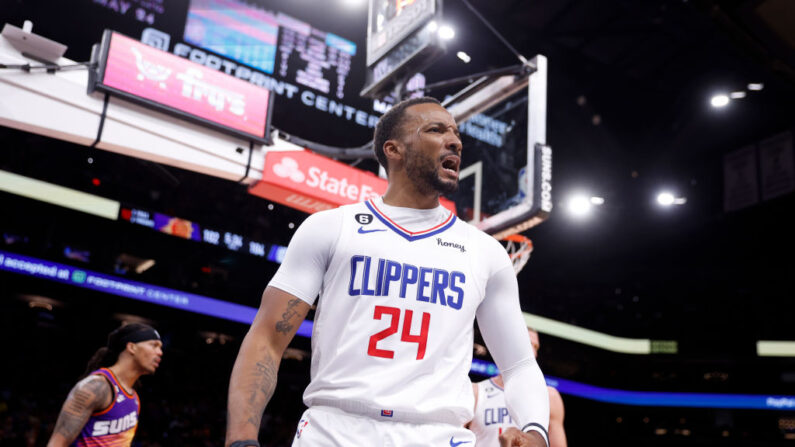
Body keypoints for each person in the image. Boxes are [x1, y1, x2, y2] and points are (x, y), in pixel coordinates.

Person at [226, 97, 550, 447]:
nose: (455, 140)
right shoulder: (331, 227)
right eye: (436, 130)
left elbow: (518, 364)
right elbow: (267, 339)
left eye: (455, 132)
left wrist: (536, 431)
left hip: (438, 436)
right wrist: (241, 438)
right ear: (393, 149)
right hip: (334, 430)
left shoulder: (486, 252)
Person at [46, 323, 163, 447]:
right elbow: (56, 444)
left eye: (160, 348)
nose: (160, 352)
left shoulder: (134, 397)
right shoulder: (96, 387)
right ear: (132, 347)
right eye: (154, 345)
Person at [469, 328, 567, 447]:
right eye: (529, 343)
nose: (533, 352)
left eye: (536, 347)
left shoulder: (549, 396)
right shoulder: (477, 392)